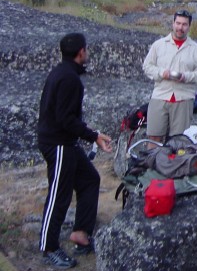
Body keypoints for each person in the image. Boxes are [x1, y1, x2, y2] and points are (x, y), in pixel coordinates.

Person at [38, 33, 113, 269]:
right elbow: (65, 119)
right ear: (81, 52)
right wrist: (94, 136)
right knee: (59, 196)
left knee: (90, 179)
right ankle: (49, 247)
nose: (87, 52)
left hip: (66, 143)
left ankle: (81, 233)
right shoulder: (69, 79)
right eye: (86, 49)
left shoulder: (64, 72)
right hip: (58, 144)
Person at [143, 10, 197, 144]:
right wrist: (162, 73)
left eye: (184, 24)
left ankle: (175, 165)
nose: (180, 27)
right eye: (178, 23)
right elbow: (147, 66)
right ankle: (152, 164)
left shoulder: (195, 49)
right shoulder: (159, 45)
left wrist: (186, 76)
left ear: (189, 26)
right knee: (154, 137)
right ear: (173, 23)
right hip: (160, 95)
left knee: (179, 141)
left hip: (183, 98)